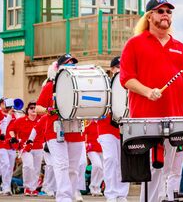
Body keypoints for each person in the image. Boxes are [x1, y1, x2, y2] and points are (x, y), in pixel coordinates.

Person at [120, 0, 183, 202]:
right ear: (150, 16)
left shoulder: (180, 46)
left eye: (169, 11)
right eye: (160, 11)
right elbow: (127, 79)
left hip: (175, 117)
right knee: (152, 170)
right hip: (146, 117)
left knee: (168, 170)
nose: (166, 15)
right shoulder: (135, 44)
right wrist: (148, 91)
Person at [35, 54, 86, 202]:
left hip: (75, 130)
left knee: (74, 168)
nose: (71, 65)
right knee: (62, 164)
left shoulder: (80, 85)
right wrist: (48, 110)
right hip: (55, 131)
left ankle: (70, 194)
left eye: (72, 63)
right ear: (58, 68)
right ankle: (63, 198)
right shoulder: (51, 86)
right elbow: (38, 107)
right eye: (67, 63)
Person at [97, 56, 129, 202]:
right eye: (118, 67)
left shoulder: (129, 86)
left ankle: (122, 194)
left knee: (124, 161)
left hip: (124, 128)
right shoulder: (104, 85)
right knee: (110, 159)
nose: (121, 70)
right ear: (112, 69)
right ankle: (110, 194)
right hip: (106, 127)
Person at [9, 101, 44, 196]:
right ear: (27, 110)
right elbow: (11, 129)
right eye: (31, 108)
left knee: (36, 168)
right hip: (25, 147)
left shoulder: (41, 120)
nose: (33, 109)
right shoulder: (20, 120)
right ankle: (27, 188)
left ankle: (33, 188)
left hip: (38, 147)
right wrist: (13, 138)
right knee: (28, 165)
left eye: (35, 108)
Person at [0, 98, 17, 196]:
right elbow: (2, 128)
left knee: (10, 167)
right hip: (0, 144)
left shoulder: (13, 115)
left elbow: (15, 128)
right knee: (4, 165)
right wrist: (9, 116)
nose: (6, 105)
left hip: (11, 145)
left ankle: (6, 186)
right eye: (3, 103)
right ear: (0, 104)